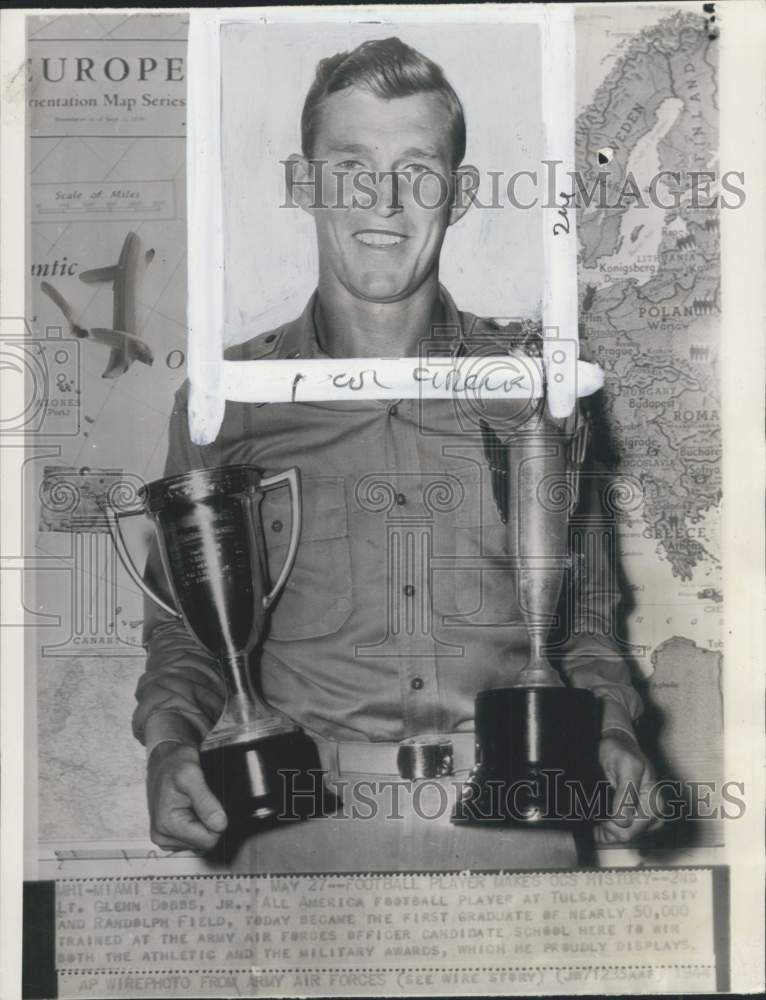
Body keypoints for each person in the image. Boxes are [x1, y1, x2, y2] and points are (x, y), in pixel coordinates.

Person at [134, 37, 655, 870]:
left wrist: (614, 732)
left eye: (418, 170)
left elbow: (586, 619)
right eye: (351, 168)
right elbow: (186, 630)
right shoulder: (227, 401)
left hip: (520, 816)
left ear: (461, 193)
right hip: (295, 825)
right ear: (303, 184)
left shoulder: (540, 390)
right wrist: (170, 745)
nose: (383, 201)